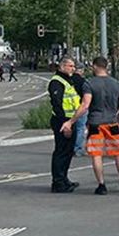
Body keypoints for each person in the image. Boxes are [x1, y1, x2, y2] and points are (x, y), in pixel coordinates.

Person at [82, 57, 119, 195]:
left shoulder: (89, 83)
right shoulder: (117, 84)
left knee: (96, 154)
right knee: (118, 153)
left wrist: (73, 120)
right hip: (112, 122)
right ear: (106, 66)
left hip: (95, 123)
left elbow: (86, 104)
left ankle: (101, 184)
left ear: (94, 66)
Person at [48, 57, 84, 193]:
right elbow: (57, 104)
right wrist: (65, 124)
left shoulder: (68, 80)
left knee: (68, 152)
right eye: (70, 66)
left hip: (70, 120)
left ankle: (64, 179)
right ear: (62, 66)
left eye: (73, 66)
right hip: (62, 121)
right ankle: (58, 182)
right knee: (61, 152)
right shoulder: (57, 82)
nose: (73, 69)